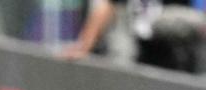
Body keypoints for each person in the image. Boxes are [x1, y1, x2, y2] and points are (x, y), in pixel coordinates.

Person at [64, 0, 205, 73]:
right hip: (137, 54)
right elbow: (106, 8)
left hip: (174, 56)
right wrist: (83, 47)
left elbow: (192, 21)